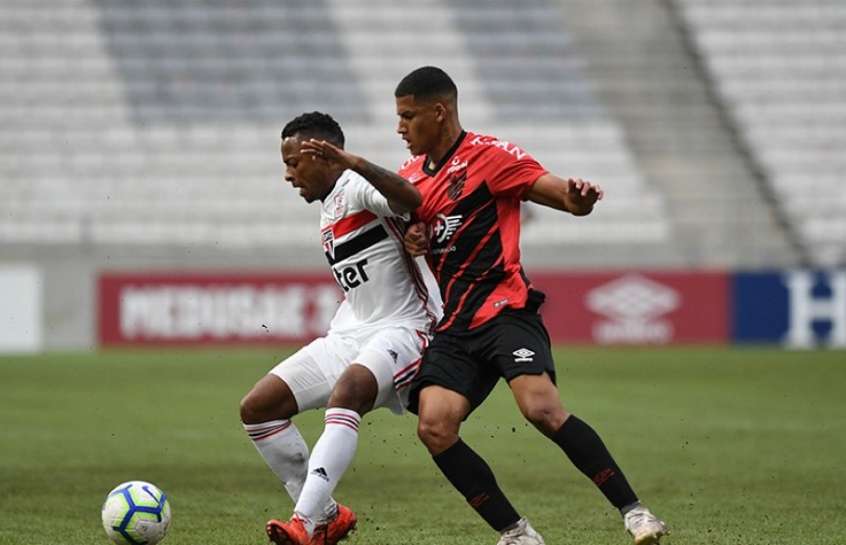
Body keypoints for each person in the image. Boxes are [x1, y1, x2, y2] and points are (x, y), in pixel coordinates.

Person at [309, 66, 669, 545]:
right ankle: (517, 534)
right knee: (435, 427)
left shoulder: (492, 157)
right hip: (455, 324)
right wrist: (416, 236)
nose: (399, 128)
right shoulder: (410, 178)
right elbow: (411, 229)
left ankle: (635, 512)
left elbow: (560, 194)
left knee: (541, 410)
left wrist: (580, 199)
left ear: (439, 113)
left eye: (408, 116)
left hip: (504, 309)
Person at [239, 111, 441, 545]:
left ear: (325, 156)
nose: (289, 175)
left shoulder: (356, 185)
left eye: (294, 163)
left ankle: (305, 522)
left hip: (406, 326)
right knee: (258, 409)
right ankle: (328, 515)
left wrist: (352, 161)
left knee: (348, 391)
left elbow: (410, 199)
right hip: (351, 331)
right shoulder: (329, 204)